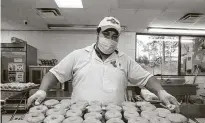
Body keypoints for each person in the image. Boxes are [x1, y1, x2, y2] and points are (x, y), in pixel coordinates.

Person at [28, 16, 180, 109]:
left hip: (116, 120)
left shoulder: (125, 60)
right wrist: (42, 90)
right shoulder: (78, 55)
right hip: (79, 118)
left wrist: (162, 92)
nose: (110, 40)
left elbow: (147, 78)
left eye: (115, 36)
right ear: (98, 33)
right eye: (106, 34)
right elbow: (53, 74)